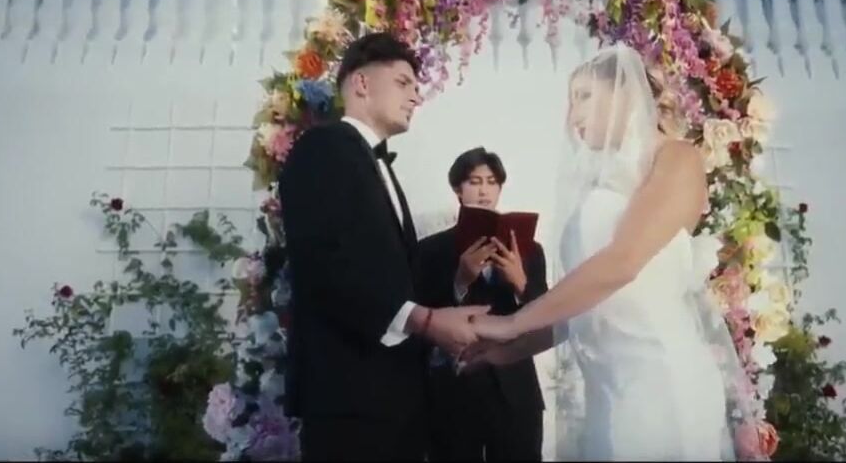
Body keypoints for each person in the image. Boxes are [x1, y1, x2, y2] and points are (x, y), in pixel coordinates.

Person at [460, 45, 749, 460]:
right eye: (570, 101)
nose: (572, 115)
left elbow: (622, 263)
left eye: (584, 96)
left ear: (626, 93)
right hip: (607, 391)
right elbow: (587, 307)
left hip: (659, 382)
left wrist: (511, 323)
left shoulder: (676, 158)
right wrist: (508, 352)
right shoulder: (599, 186)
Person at [278, 32, 490, 461]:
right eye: (403, 82)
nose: (415, 97)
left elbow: (392, 273)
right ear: (361, 83)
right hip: (348, 395)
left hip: (393, 395)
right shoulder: (323, 148)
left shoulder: (377, 165)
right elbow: (325, 263)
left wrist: (458, 286)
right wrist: (427, 321)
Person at [418, 147, 548, 461]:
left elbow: (547, 318)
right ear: (457, 189)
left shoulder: (530, 249)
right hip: (454, 393)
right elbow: (421, 320)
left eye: (491, 182)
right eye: (474, 182)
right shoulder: (430, 250)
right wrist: (460, 282)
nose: (483, 190)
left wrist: (521, 283)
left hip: (516, 391)